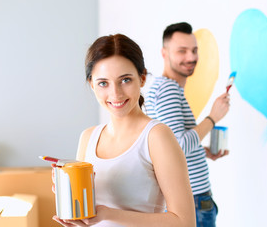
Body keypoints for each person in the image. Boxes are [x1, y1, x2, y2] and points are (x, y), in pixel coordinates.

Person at [53, 34, 196, 227]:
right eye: (103, 83)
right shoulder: (88, 138)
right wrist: (73, 207)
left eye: (125, 80)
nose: (115, 93)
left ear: (142, 78)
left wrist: (108, 214)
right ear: (92, 85)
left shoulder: (156, 136)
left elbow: (184, 221)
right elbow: (89, 219)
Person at [145, 22, 230, 227]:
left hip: (191, 199)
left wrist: (202, 151)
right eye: (182, 51)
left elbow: (170, 145)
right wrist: (212, 118)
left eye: (194, 50)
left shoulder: (161, 88)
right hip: (193, 200)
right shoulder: (168, 90)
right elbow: (178, 146)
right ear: (164, 53)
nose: (191, 57)